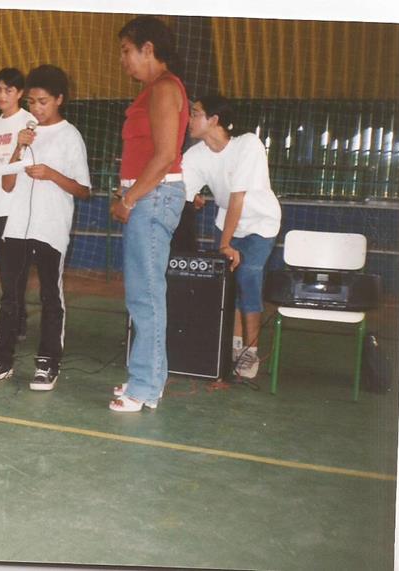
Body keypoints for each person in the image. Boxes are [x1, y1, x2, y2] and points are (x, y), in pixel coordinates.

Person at [0, 64, 91, 391]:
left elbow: (83, 189)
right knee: (10, 295)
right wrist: (19, 146)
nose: (36, 109)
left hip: (50, 226)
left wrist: (51, 174)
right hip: (16, 226)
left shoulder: (70, 136)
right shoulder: (26, 133)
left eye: (43, 102)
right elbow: (7, 184)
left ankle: (48, 363)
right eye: (32, 102)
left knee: (50, 295)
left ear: (59, 99)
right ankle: (2, 359)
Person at [109, 16, 189, 412]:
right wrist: (127, 191)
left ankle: (144, 386)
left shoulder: (164, 88)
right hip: (147, 195)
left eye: (127, 51)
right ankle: (148, 378)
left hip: (153, 198)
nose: (123, 60)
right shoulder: (153, 90)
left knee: (146, 295)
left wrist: (129, 199)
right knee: (143, 293)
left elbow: (164, 156)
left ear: (149, 49)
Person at [182, 94, 282, 378]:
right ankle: (234, 345)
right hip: (227, 222)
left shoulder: (248, 144)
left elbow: (237, 197)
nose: (189, 119)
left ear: (213, 119)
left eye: (195, 113)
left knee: (248, 275)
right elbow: (181, 190)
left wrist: (225, 245)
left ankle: (251, 351)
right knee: (228, 284)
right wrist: (190, 198)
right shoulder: (195, 155)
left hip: (260, 223)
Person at [0, 68, 35, 343]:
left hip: (18, 207)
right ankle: (18, 325)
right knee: (9, 270)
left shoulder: (28, 122)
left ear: (20, 93)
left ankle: (8, 327)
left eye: (9, 90)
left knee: (13, 271)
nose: (2, 95)